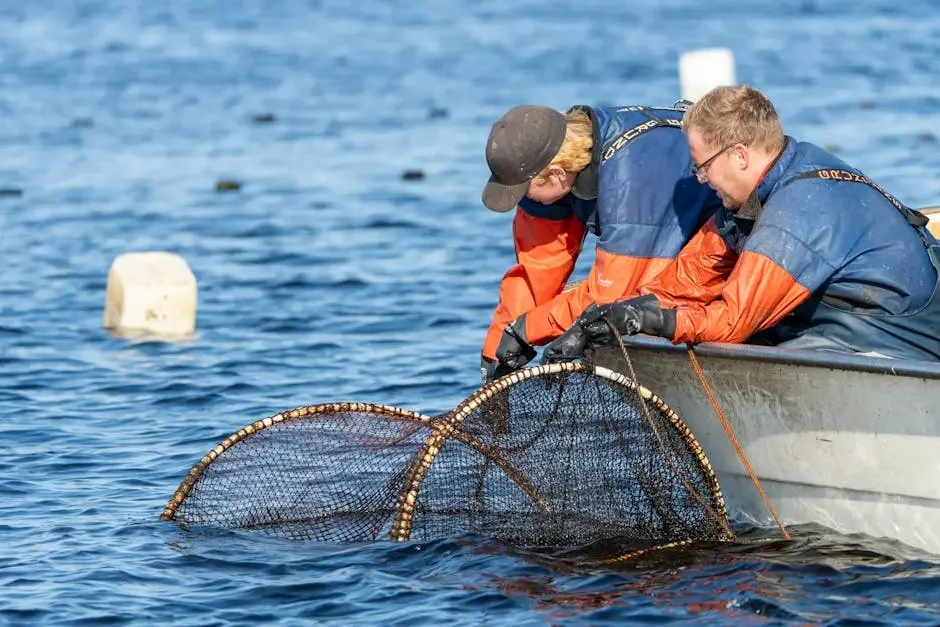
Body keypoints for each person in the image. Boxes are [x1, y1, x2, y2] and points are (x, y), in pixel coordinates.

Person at [542, 84, 940, 363]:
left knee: (738, 341)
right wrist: (613, 315)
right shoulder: (760, 191)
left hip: (898, 345)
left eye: (701, 166)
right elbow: (685, 282)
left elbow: (732, 321)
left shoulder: (795, 216)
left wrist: (650, 321)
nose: (700, 179)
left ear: (739, 156)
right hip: (843, 325)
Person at [480, 103, 722, 383]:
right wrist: (498, 347)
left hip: (730, 249)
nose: (519, 200)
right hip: (664, 250)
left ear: (557, 175)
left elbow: (615, 296)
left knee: (626, 310)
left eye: (522, 190)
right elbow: (537, 271)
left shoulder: (628, 182)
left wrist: (528, 329)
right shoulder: (555, 175)